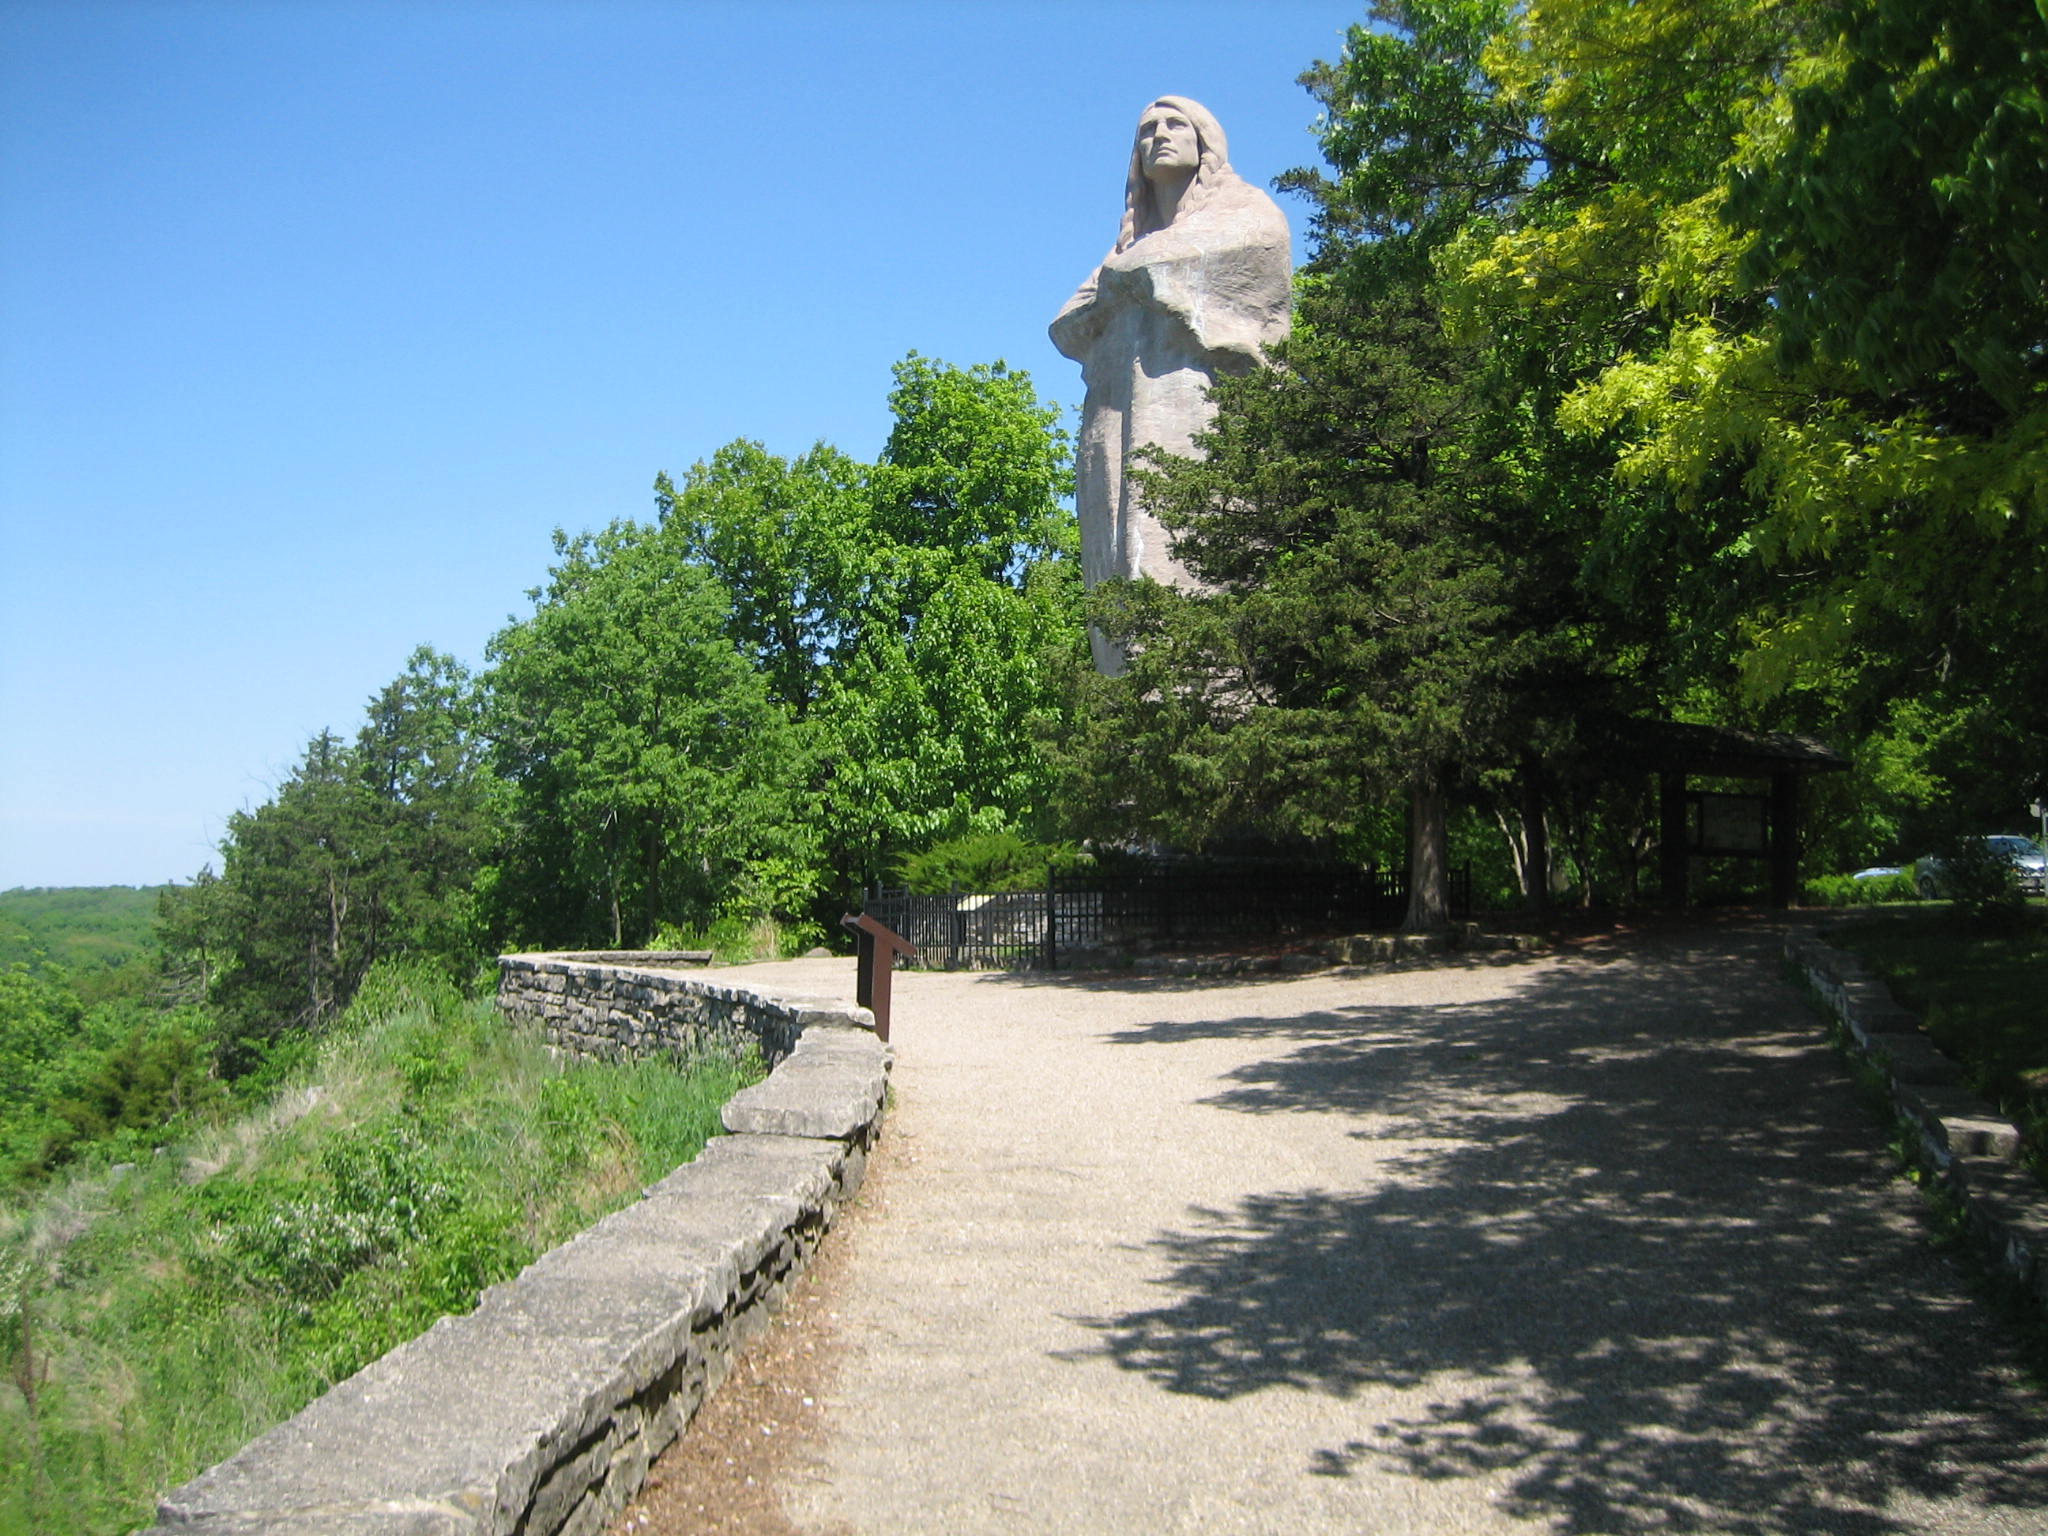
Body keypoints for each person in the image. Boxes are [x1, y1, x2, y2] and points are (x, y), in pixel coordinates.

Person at [1050, 96, 1292, 673]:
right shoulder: (1125, 248)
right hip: (1116, 417)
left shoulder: (1247, 214)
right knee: (1118, 563)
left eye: (1174, 124)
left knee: (1192, 554)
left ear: (1205, 140)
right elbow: (1065, 322)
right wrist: (1125, 287)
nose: (1158, 135)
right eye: (1146, 130)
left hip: (1201, 412)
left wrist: (1131, 282)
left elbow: (1245, 258)